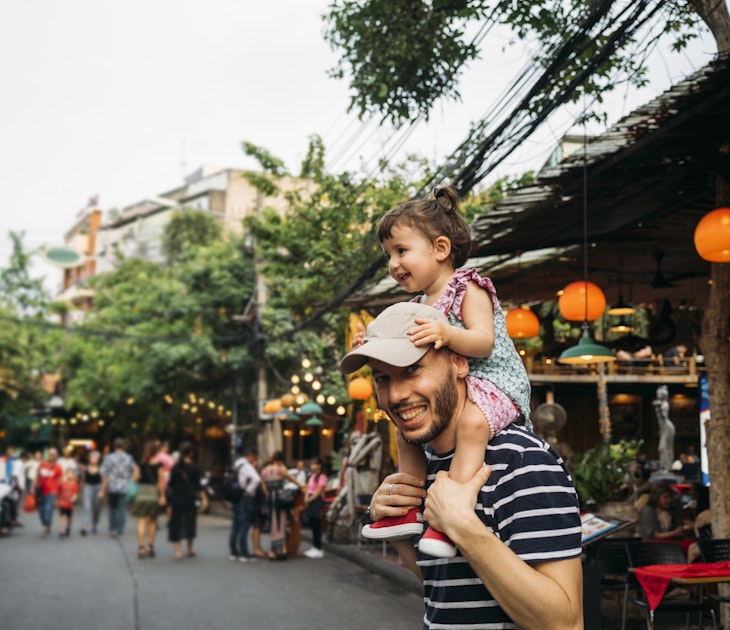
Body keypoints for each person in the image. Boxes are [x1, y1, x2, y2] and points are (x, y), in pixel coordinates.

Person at [340, 302, 583, 628]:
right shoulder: (429, 464)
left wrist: (462, 526)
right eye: (383, 378)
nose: (396, 395)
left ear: (458, 362)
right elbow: (444, 583)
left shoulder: (522, 462)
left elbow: (565, 623)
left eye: (413, 369)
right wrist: (398, 526)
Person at [351, 187, 532, 558]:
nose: (393, 264)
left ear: (441, 249)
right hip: (462, 386)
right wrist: (366, 341)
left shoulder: (469, 288)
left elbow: (482, 342)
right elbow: (398, 349)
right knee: (404, 436)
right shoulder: (416, 304)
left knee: (471, 426)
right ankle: (408, 508)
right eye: (389, 255)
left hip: (495, 382)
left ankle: (452, 513)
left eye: (401, 251)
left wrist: (448, 333)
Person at [167, 441, 207, 560]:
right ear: (190, 453)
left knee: (176, 523)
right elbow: (198, 485)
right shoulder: (194, 466)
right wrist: (204, 499)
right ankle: (189, 548)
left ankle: (178, 551)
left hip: (177, 498)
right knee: (190, 522)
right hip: (189, 498)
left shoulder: (175, 467)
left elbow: (171, 484)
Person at [260, 450, 302, 560]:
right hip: (280, 499)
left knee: (272, 524)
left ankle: (273, 551)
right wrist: (300, 485)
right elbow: (291, 479)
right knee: (281, 523)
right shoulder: (281, 469)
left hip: (270, 499)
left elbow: (263, 486)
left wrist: (268, 495)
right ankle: (281, 550)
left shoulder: (264, 471)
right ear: (281, 460)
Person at [128, 440, 166, 558]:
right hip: (153, 494)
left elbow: (134, 478)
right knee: (153, 521)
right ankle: (150, 546)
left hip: (141, 493)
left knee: (141, 521)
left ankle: (141, 548)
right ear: (156, 451)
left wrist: (140, 479)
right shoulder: (159, 465)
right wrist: (162, 496)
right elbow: (161, 482)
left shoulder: (140, 463)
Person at [228, 446, 262, 562]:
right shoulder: (246, 466)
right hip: (244, 498)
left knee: (235, 525)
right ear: (251, 456)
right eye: (255, 458)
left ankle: (234, 552)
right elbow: (256, 479)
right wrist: (248, 491)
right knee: (244, 525)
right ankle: (244, 553)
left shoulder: (236, 464)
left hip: (236, 497)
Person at [99, 438, 136, 537]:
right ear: (124, 447)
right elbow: (134, 471)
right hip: (124, 486)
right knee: (122, 508)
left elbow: (103, 472)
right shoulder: (129, 458)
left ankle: (112, 528)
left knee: (112, 508)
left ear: (114, 446)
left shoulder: (109, 457)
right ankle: (120, 529)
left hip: (111, 486)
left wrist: (104, 487)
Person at [34, 448, 63, 537]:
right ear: (48, 455)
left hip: (52, 491)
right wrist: (33, 486)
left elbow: (60, 480)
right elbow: (37, 475)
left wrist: (59, 494)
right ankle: (45, 523)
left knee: (48, 509)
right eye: (50, 454)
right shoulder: (42, 464)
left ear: (56, 456)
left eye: (54, 454)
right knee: (40, 510)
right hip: (41, 491)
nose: (52, 456)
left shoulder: (58, 467)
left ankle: (47, 525)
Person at [303, 456, 328, 559]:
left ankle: (318, 548)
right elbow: (308, 488)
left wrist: (309, 499)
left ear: (319, 465)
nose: (312, 466)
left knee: (317, 525)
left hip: (316, 501)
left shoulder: (322, 477)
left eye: (314, 464)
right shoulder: (312, 476)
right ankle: (314, 547)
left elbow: (318, 492)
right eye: (311, 464)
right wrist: (305, 498)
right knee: (312, 525)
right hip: (310, 499)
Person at [79, 450, 103, 535]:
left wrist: (102, 491)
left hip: (98, 487)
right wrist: (81, 493)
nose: (93, 459)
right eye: (92, 457)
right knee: (87, 506)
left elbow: (104, 481)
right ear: (89, 459)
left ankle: (95, 525)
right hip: (88, 487)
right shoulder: (85, 468)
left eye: (95, 457)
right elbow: (82, 480)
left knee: (96, 509)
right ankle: (85, 526)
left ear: (98, 459)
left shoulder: (101, 468)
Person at [653, 385, 676, 472]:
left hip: (667, 426)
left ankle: (667, 467)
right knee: (662, 448)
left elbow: (663, 417)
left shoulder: (664, 405)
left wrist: (658, 409)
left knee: (665, 447)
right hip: (663, 427)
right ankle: (664, 466)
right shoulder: (662, 404)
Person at [57, 468, 79, 538]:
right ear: (65, 474)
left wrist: (74, 498)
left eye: (71, 474)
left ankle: (68, 527)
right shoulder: (62, 483)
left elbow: (75, 493)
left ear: (73, 476)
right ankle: (61, 532)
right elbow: (58, 492)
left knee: (69, 519)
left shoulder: (74, 484)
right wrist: (58, 500)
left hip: (70, 504)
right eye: (68, 473)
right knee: (63, 517)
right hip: (62, 503)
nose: (70, 475)